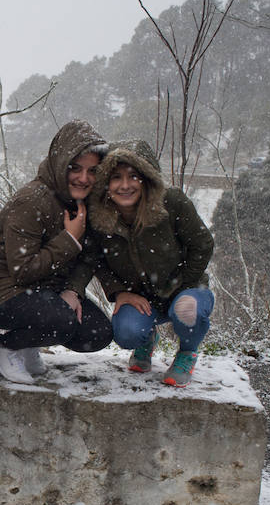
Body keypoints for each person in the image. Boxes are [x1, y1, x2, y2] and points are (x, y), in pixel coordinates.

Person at [0, 120, 114, 384]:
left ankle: (28, 342)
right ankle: (5, 347)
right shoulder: (32, 200)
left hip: (46, 286)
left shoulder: (88, 202)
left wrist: (72, 290)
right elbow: (23, 270)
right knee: (61, 321)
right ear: (61, 164)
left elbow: (88, 257)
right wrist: (69, 238)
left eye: (93, 171)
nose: (84, 178)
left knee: (97, 332)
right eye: (76, 168)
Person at [87, 139, 214, 387]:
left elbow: (203, 244)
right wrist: (119, 292)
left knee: (187, 309)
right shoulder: (101, 217)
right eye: (116, 177)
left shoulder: (172, 203)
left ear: (147, 178)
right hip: (140, 298)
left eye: (134, 176)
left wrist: (183, 284)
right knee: (126, 333)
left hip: (186, 291)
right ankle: (146, 339)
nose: (125, 185)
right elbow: (96, 260)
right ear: (106, 183)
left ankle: (187, 353)